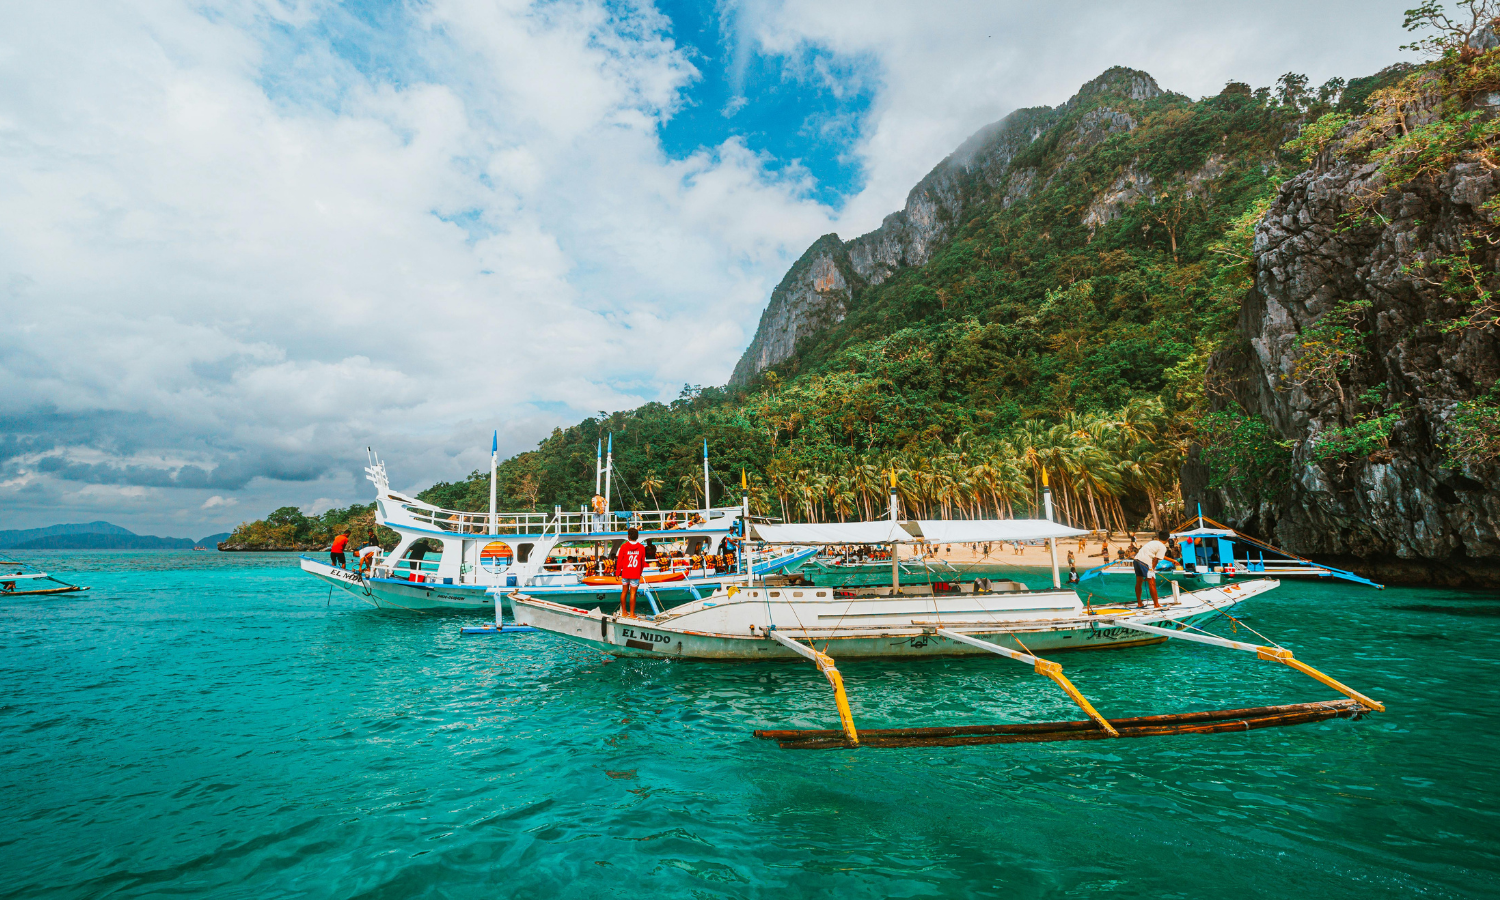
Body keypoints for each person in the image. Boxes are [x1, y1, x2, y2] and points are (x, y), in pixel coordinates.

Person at [616, 527, 647, 618]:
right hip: (635, 573)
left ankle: (624, 612)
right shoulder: (641, 547)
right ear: (637, 537)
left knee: (624, 591)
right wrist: (640, 572)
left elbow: (620, 560)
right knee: (633, 593)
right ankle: (632, 614)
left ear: (628, 536)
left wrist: (618, 572)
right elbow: (642, 562)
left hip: (625, 572)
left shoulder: (624, 546)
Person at [1133, 531, 1170, 609]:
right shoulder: (1163, 547)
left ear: (1158, 537)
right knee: (1152, 583)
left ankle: (1139, 603)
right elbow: (1156, 559)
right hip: (1145, 562)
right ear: (1168, 539)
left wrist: (1172, 560)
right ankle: (1156, 605)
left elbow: (1157, 555)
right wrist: (1151, 570)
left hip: (1136, 560)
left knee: (1139, 582)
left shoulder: (1153, 542)